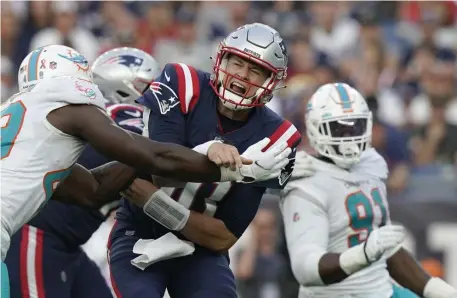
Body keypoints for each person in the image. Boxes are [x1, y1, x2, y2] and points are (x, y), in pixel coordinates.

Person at [0, 44, 290, 297]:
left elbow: (93, 191)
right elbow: (156, 156)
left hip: (61, 244)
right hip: (38, 237)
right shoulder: (87, 114)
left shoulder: (28, 127)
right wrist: (230, 169)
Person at [108, 23, 304, 298]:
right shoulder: (181, 82)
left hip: (199, 250)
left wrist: (156, 202)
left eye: (255, 70)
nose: (242, 76)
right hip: (140, 232)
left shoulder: (277, 137)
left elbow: (224, 236)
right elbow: (161, 170)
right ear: (221, 59)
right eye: (237, 63)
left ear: (271, 82)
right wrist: (210, 153)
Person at [4, 47, 159, 298]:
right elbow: (152, 155)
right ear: (123, 87)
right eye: (149, 88)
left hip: (66, 245)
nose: (156, 98)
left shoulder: (87, 116)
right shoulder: (116, 118)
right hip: (37, 236)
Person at [280, 83, 457, 298]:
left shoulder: (371, 163)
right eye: (339, 128)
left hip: (381, 290)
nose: (349, 137)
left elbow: (387, 249)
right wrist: (363, 253)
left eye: (355, 127)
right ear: (316, 128)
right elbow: (306, 269)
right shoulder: (305, 178)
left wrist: (439, 291)